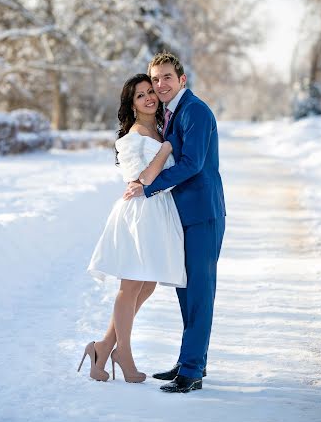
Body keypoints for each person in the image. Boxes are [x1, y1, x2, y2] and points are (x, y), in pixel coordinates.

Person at [124, 51, 226, 393]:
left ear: (182, 80)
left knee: (199, 292)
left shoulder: (195, 111)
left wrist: (148, 186)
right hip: (182, 215)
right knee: (186, 290)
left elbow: (192, 164)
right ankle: (189, 360)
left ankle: (192, 370)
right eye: (155, 79)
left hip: (202, 214)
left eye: (167, 77)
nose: (160, 84)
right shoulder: (171, 114)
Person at [78, 73, 187, 384]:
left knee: (147, 284)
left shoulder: (161, 129)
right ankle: (123, 354)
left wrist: (165, 145)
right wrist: (166, 149)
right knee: (131, 286)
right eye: (140, 95)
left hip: (159, 212)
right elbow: (143, 179)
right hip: (139, 215)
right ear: (132, 104)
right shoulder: (130, 138)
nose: (149, 97)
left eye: (151, 91)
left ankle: (103, 347)